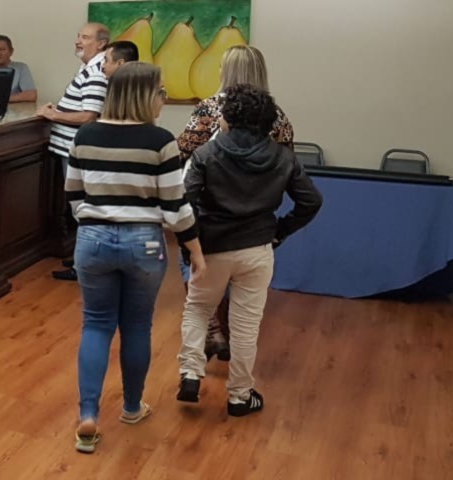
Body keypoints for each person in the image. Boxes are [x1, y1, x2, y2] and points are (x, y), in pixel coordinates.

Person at [66, 62, 206, 453]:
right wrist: (195, 250)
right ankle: (131, 407)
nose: (163, 99)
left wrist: (94, 222)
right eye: (161, 92)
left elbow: (73, 193)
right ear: (145, 95)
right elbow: (176, 206)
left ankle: (88, 413)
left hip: (92, 239)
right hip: (144, 242)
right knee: (137, 326)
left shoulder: (85, 135)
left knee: (96, 325)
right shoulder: (160, 141)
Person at [177, 84, 322, 417]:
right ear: (268, 123)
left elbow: (184, 204)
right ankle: (240, 397)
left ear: (226, 119)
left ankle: (191, 374)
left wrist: (191, 244)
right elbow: (312, 201)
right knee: (245, 326)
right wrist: (280, 231)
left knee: (198, 310)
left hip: (212, 249)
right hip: (257, 250)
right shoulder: (284, 158)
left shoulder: (205, 154)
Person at [175, 45, 294, 359]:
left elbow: (184, 149)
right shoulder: (277, 116)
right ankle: (230, 335)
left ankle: (212, 329)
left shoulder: (209, 108)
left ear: (227, 71)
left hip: (211, 210)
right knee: (243, 277)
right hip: (257, 213)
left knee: (195, 264)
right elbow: (287, 161)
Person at [36, 22, 110, 281]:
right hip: (72, 150)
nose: (78, 41)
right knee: (79, 208)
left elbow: (89, 116)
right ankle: (82, 258)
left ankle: (85, 266)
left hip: (77, 152)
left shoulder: (96, 73)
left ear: (101, 44)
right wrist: (59, 110)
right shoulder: (88, 68)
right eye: (78, 36)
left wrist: (53, 115)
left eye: (85, 37)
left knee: (82, 209)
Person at [0, 34, 37, 103]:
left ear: (11, 51)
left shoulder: (21, 68)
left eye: (2, 49)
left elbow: (31, 95)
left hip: (13, 108)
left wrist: (2, 99)